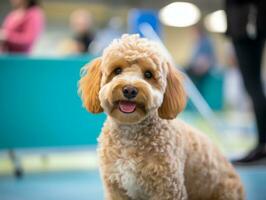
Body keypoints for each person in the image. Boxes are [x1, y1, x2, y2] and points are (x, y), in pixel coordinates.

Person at [225, 0, 266, 164]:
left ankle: (263, 145)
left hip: (247, 23)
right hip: (249, 22)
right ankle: (262, 144)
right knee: (254, 86)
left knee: (253, 86)